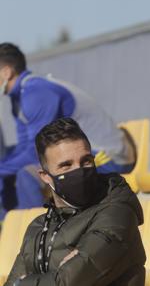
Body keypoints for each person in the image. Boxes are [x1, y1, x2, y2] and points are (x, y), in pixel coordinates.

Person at [5, 117, 145, 286]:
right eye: (66, 165)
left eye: (85, 161)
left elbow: (70, 281)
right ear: (46, 177)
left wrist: (23, 284)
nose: (79, 170)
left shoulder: (117, 212)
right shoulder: (38, 228)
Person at [0, 43, 137, 212]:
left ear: (6, 72)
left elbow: (33, 152)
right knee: (11, 172)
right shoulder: (18, 100)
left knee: (26, 175)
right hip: (77, 155)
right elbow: (24, 147)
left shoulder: (36, 91)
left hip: (108, 158)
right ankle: (9, 231)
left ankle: (35, 231)